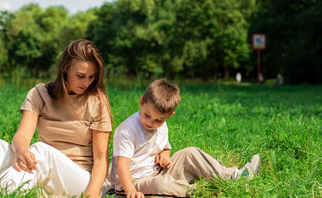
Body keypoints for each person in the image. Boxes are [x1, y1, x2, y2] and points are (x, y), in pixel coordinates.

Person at [0, 39, 113, 198]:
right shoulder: (39, 93)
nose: (86, 82)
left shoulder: (97, 101)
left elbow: (101, 158)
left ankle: (2, 192)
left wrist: (94, 193)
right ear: (65, 69)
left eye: (91, 77)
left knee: (41, 150)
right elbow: (22, 135)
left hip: (81, 179)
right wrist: (20, 151)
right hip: (44, 170)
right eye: (81, 76)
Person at [111, 78, 261, 198]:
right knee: (161, 184)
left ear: (169, 116)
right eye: (147, 115)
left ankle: (233, 176)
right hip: (131, 184)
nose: (151, 123)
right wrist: (130, 191)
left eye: (158, 120)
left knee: (190, 152)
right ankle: (203, 191)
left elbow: (165, 148)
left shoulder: (161, 126)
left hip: (157, 172)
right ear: (141, 102)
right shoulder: (127, 131)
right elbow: (122, 166)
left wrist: (165, 156)